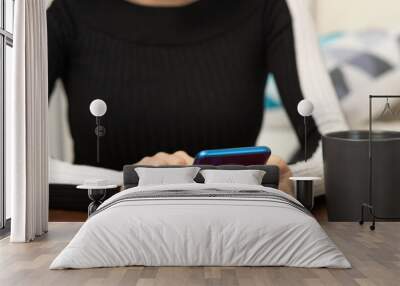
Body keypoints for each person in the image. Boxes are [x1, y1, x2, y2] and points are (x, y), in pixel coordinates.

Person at [47, 0, 348, 195]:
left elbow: (342, 155)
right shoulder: (63, 13)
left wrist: (286, 180)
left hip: (236, 232)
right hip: (97, 232)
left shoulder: (276, 7)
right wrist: (130, 184)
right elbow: (12, 164)